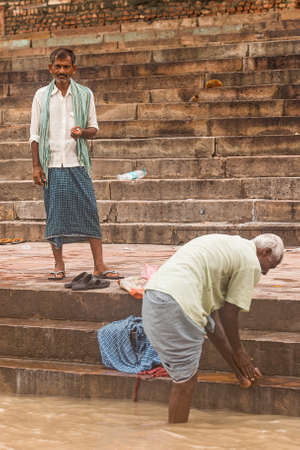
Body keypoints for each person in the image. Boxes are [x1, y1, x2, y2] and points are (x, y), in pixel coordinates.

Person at [142, 233, 284, 424]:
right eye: (270, 266)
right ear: (265, 252)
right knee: (185, 383)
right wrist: (240, 352)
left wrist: (239, 372)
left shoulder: (229, 247)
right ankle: (175, 437)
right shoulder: (250, 262)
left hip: (154, 296)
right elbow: (228, 313)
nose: (265, 273)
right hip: (178, 303)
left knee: (184, 377)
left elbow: (214, 327)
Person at [30, 47, 119, 282]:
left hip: (77, 162)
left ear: (73, 69)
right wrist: (36, 166)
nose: (61, 71)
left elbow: (94, 129)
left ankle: (99, 265)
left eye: (66, 67)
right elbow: (35, 135)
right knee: (54, 216)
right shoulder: (41, 96)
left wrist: (82, 132)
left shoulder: (85, 94)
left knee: (90, 211)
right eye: (57, 67)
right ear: (51, 69)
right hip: (52, 164)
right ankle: (59, 264)